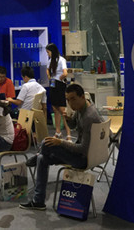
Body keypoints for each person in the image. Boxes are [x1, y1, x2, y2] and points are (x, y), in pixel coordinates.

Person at [19, 83, 103, 211]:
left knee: (46, 143)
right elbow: (74, 126)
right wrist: (68, 120)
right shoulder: (82, 107)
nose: (70, 103)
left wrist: (61, 142)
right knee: (42, 158)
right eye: (68, 100)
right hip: (82, 154)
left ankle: (37, 155)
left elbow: (83, 149)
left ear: (82, 97)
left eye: (73, 99)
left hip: (84, 159)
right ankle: (38, 201)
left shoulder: (89, 117)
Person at [46, 42, 70, 139]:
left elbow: (65, 73)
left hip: (59, 85)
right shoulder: (50, 60)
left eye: (48, 52)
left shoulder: (61, 60)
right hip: (52, 84)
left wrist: (60, 78)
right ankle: (58, 131)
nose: (48, 54)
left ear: (52, 51)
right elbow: (47, 69)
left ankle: (68, 133)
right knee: (55, 109)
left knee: (62, 110)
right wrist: (49, 76)